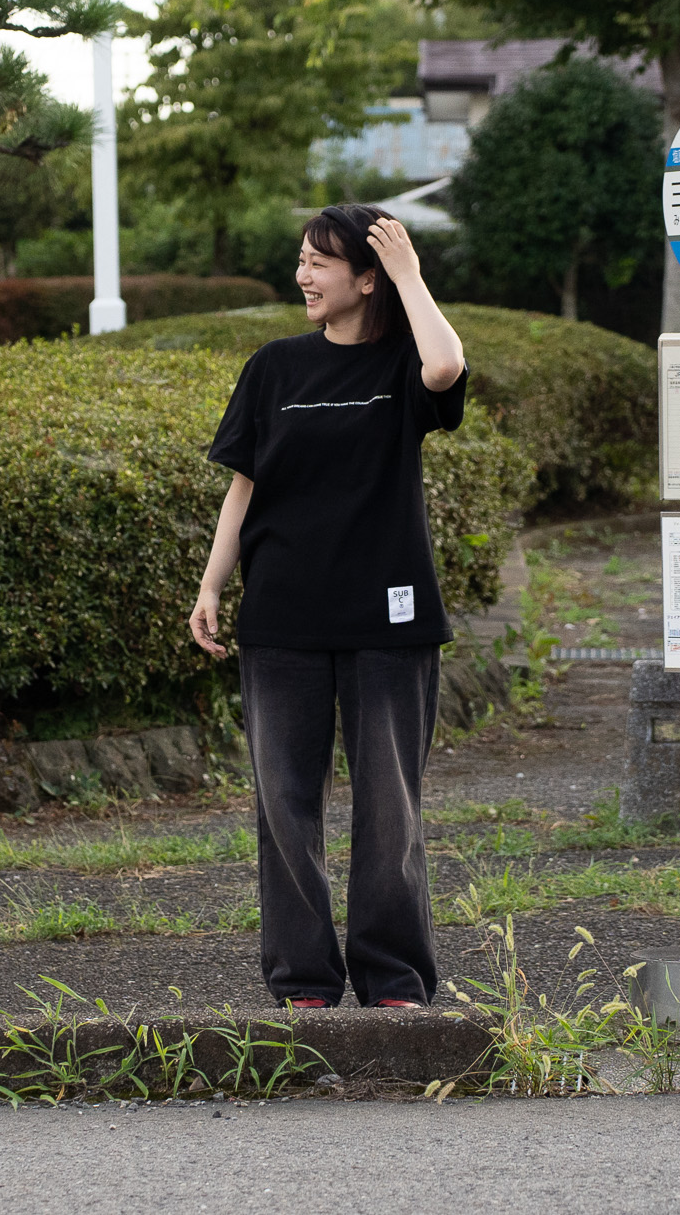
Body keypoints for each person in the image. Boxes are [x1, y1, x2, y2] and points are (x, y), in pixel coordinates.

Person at [189, 204, 468, 1010]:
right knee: (284, 804)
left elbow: (446, 368)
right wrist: (212, 585)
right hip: (281, 620)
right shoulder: (274, 368)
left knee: (391, 807)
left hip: (392, 621)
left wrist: (412, 276)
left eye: (321, 262)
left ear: (367, 279)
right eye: (301, 259)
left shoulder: (400, 366)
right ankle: (305, 980)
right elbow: (245, 487)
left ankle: (394, 978)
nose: (304, 274)